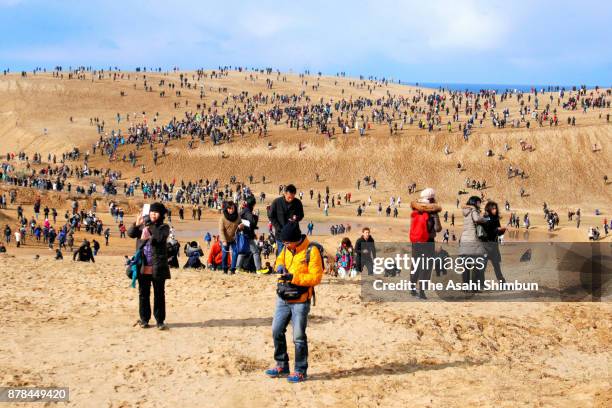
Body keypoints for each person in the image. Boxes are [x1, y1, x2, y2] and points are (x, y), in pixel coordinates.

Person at [265, 222, 323, 383]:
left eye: (287, 242)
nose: (285, 245)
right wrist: (280, 267)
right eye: (284, 243)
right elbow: (278, 261)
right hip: (283, 296)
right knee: (276, 330)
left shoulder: (312, 251)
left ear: (296, 240)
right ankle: (282, 364)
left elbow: (316, 277)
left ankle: (300, 370)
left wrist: (294, 278)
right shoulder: (286, 248)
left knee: (298, 337)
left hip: (301, 300)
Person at [128, 202, 171, 330]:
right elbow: (131, 234)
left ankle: (160, 321)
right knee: (143, 294)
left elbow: (158, 238)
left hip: (158, 267)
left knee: (159, 294)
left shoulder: (164, 227)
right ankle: (144, 319)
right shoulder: (143, 225)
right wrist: (136, 224)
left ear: (161, 214)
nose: (153, 214)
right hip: (143, 265)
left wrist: (149, 225)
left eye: (156, 212)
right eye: (152, 212)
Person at [409, 188, 442, 299]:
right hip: (427, 242)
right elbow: (437, 229)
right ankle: (422, 291)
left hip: (416, 241)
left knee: (415, 264)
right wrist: (436, 215)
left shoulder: (417, 209)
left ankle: (412, 288)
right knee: (426, 266)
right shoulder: (432, 212)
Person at [459, 196, 487, 290]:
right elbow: (476, 219)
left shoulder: (466, 211)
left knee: (466, 265)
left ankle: (466, 287)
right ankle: (474, 287)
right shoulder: (473, 210)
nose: (480, 204)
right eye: (479, 202)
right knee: (476, 264)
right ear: (475, 203)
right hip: (473, 241)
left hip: (464, 240)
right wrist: (486, 220)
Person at [268, 184, 304, 255]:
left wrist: (296, 218)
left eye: (293, 197)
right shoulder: (276, 202)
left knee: (294, 256)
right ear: (285, 193)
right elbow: (271, 216)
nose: (291, 199)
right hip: (280, 235)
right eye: (289, 197)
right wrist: (278, 227)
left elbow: (301, 215)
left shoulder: (298, 203)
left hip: (294, 236)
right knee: (281, 256)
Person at [237, 195, 266, 273]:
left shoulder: (243, 210)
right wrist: (255, 217)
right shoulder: (247, 211)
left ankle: (238, 268)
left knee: (243, 251)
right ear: (253, 204)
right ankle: (258, 269)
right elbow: (252, 222)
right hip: (247, 235)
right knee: (255, 252)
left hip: (243, 234)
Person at [482, 201, 506, 283]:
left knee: (496, 265)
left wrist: (502, 231)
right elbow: (487, 231)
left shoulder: (496, 219)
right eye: (493, 208)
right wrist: (497, 230)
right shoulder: (485, 218)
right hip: (485, 246)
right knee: (482, 266)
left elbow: (498, 233)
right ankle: (479, 284)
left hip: (494, 247)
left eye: (496, 208)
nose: (495, 210)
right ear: (489, 209)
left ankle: (502, 283)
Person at [219, 201, 242, 274]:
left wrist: (241, 226)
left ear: (234, 208)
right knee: (225, 255)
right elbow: (221, 230)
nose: (231, 210)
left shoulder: (238, 216)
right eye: (229, 208)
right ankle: (225, 269)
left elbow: (240, 225)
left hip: (234, 239)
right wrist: (224, 241)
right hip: (225, 239)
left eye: (232, 208)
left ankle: (232, 269)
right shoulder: (222, 218)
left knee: (235, 252)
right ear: (226, 209)